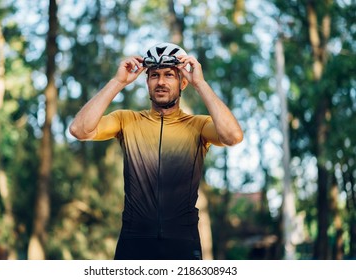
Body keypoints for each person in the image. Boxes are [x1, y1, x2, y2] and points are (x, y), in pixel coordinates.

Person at [69, 42, 243, 260]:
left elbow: (233, 136)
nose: (161, 82)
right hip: (134, 240)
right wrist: (117, 82)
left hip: (182, 240)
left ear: (183, 82)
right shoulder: (126, 120)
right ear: (147, 81)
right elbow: (79, 129)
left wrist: (200, 83)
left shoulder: (198, 126)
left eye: (169, 75)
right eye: (154, 75)